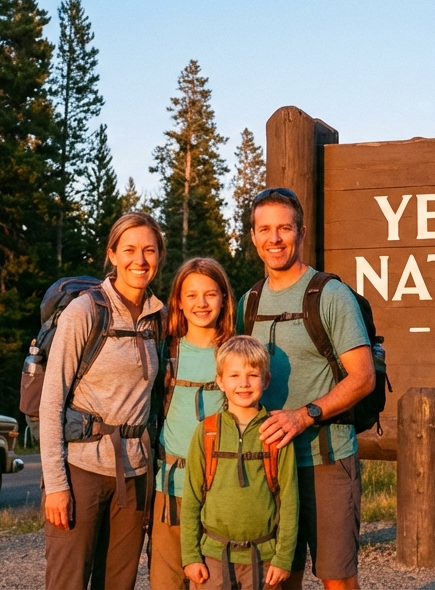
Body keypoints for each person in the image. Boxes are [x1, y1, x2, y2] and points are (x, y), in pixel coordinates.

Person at [242, 188, 375, 590]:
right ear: (253, 236)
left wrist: (304, 416)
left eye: (284, 227)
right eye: (265, 229)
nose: (275, 238)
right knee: (279, 578)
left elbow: (363, 376)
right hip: (269, 464)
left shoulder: (330, 294)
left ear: (301, 231)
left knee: (337, 578)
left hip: (327, 459)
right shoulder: (247, 302)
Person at [40, 212, 166, 590]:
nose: (139, 260)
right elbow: (51, 401)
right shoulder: (85, 311)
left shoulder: (157, 318)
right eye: (129, 250)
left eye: (149, 250)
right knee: (69, 582)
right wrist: (56, 485)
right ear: (112, 254)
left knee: (118, 584)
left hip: (136, 473)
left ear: (160, 255)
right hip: (82, 469)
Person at [181, 336, 298, 590]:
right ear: (220, 381)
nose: (243, 384)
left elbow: (289, 501)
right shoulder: (207, 431)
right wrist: (190, 556)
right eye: (234, 375)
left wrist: (283, 557)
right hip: (212, 557)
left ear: (266, 380)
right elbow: (191, 497)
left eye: (252, 375)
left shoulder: (276, 432)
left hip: (264, 560)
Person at [151, 257, 234, 589]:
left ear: (224, 298)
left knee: (213, 581)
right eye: (192, 295)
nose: (201, 303)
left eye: (210, 294)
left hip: (218, 489)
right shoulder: (165, 351)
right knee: (166, 581)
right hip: (168, 487)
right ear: (179, 303)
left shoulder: (234, 352)